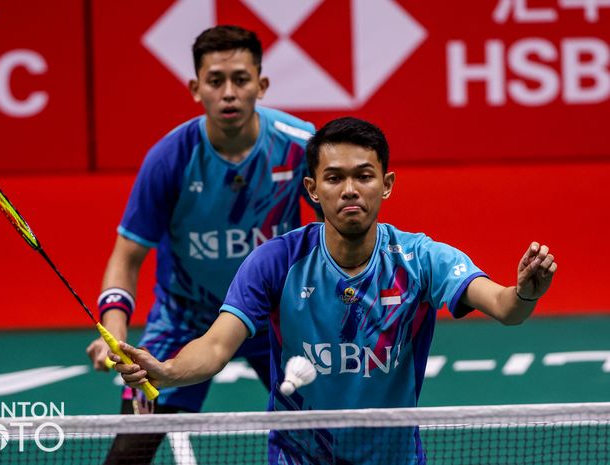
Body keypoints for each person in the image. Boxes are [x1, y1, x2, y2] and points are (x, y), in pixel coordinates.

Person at [110, 116, 557, 464]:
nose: (350, 190)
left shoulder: (419, 259)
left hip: (393, 458)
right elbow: (215, 347)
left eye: (364, 176)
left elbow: (504, 308)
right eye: (334, 178)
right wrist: (167, 371)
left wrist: (525, 294)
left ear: (387, 185)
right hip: (299, 456)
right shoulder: (277, 261)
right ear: (312, 189)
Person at [86, 24, 319, 463]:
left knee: (326, 435)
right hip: (185, 318)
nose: (229, 92)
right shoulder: (170, 157)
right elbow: (127, 254)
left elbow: (338, 237)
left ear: (261, 85)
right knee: (128, 453)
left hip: (276, 317)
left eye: (241, 79)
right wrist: (114, 332)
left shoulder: (300, 146)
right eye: (216, 81)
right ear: (196, 88)